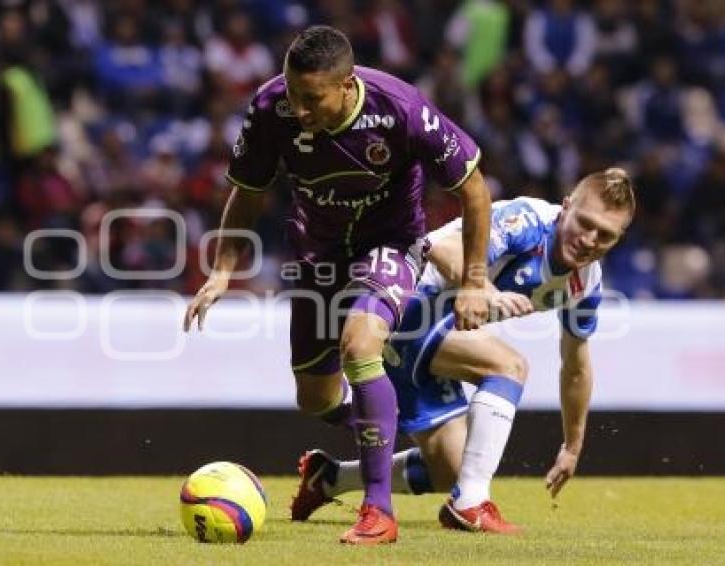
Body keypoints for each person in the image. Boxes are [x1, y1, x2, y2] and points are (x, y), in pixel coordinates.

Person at [183, 25, 494, 544]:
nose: (299, 110)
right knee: (315, 397)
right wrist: (221, 270)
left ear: (347, 86)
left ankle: (378, 512)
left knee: (360, 345)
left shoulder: (402, 110)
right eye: (292, 92)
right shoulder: (271, 106)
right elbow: (248, 192)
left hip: (391, 246)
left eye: (312, 99)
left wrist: (475, 282)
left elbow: (475, 190)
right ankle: (363, 445)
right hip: (317, 257)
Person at [291, 168, 636, 534]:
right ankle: (471, 503)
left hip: (437, 325)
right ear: (566, 207)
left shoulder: (586, 283)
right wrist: (483, 288)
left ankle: (327, 478)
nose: (589, 239)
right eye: (585, 223)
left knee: (449, 468)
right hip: (403, 299)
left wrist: (572, 445)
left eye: (606, 235)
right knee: (509, 367)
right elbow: (443, 249)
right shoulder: (528, 221)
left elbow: (577, 366)